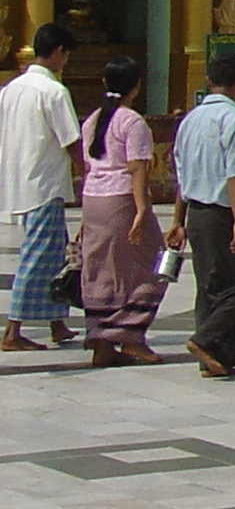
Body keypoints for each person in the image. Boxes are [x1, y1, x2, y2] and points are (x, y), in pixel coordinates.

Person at [168, 51, 235, 379]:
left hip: (196, 213)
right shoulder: (234, 118)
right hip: (221, 212)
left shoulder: (189, 120)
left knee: (211, 286)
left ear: (209, 81)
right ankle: (206, 340)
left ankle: (217, 360)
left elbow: (181, 174)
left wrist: (178, 220)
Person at [77, 55, 164, 365]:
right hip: (121, 200)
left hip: (93, 200)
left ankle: (101, 339)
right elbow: (137, 169)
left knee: (101, 267)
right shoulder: (132, 122)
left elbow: (88, 165)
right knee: (151, 263)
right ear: (136, 86)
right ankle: (130, 335)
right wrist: (142, 210)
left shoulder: (92, 120)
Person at [0, 23, 82, 353]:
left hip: (18, 180)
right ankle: (12, 330)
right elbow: (71, 139)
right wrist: (87, 171)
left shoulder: (10, 89)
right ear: (58, 53)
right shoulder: (53, 92)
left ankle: (56, 322)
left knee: (55, 254)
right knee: (37, 256)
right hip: (44, 185)